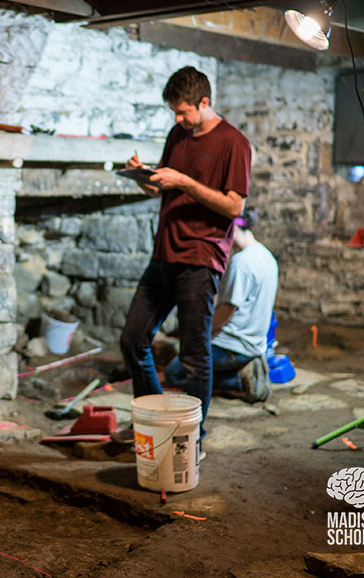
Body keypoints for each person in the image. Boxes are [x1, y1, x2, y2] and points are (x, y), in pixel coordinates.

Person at [119, 66, 251, 448]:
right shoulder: (178, 133)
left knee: (194, 354)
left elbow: (233, 206)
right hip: (163, 253)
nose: (177, 120)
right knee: (132, 340)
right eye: (174, 113)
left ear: (205, 102)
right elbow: (159, 190)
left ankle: (192, 437)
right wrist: (143, 176)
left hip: (199, 257)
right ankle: (156, 419)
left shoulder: (234, 143)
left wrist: (186, 182)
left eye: (183, 112)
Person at [163, 207, 278, 403]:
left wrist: (200, 336)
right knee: (187, 357)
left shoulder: (241, 263)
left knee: (175, 373)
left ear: (232, 228)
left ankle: (240, 380)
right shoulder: (266, 256)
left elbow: (226, 311)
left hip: (233, 346)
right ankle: (244, 367)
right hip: (255, 342)